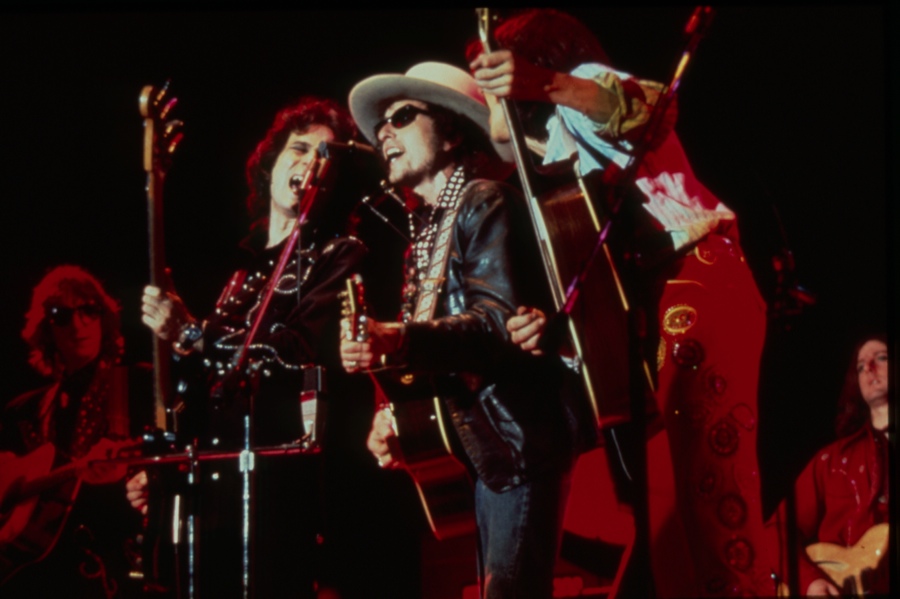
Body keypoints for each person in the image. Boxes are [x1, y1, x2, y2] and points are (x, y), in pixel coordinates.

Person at [468, 9, 777, 597]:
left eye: (496, 73)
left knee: (711, 488)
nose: (490, 89)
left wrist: (544, 82)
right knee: (665, 514)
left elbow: (652, 108)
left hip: (695, 276)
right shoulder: (538, 155)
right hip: (634, 315)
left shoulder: (577, 86)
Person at [127, 96, 421, 598]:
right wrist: (164, 468)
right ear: (270, 164)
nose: (308, 162)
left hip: (286, 497)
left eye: (323, 156)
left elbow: (295, 352)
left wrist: (194, 335)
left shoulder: (341, 256)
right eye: (299, 148)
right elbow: (210, 391)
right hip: (218, 495)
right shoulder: (242, 273)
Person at [341, 61, 582, 598]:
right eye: (380, 126)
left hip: (518, 445)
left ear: (451, 131)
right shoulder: (426, 231)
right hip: (485, 453)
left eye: (402, 116)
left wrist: (398, 338)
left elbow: (495, 324)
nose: (384, 133)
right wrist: (391, 413)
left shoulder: (482, 200)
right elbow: (437, 344)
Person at [0, 265, 142, 598]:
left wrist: (133, 473)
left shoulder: (136, 386)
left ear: (103, 317)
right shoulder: (23, 410)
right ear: (46, 328)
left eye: (88, 310)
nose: (77, 324)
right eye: (60, 314)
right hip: (30, 575)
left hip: (106, 567)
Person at [780, 335, 890, 596]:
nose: (869, 369)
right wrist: (810, 582)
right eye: (861, 366)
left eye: (882, 358)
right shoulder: (830, 460)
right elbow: (779, 529)